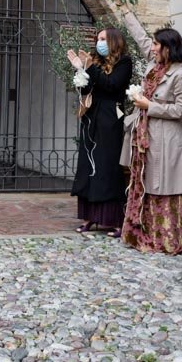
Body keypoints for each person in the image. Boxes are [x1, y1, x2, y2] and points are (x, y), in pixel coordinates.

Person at [120, 11, 182, 255]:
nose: (152, 48)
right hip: (144, 134)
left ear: (167, 48)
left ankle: (166, 239)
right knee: (143, 182)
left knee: (163, 186)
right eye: (152, 44)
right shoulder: (154, 65)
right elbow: (140, 38)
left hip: (166, 138)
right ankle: (143, 235)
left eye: (156, 44)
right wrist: (125, 10)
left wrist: (149, 106)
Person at [67, 28, 132, 237]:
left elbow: (111, 85)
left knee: (106, 165)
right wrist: (80, 71)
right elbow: (87, 90)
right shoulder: (94, 61)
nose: (99, 42)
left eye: (103, 39)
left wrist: (89, 67)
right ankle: (89, 217)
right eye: (98, 39)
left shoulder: (124, 62)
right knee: (87, 165)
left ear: (113, 41)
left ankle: (113, 219)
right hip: (91, 116)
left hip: (110, 117)